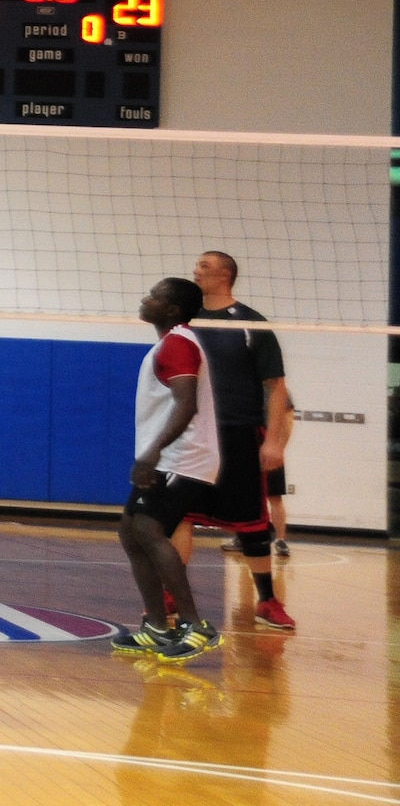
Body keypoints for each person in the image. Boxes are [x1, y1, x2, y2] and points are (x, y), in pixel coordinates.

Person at [178, 251, 295, 628]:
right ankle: (172, 594)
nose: (196, 270)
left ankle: (267, 601)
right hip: (195, 435)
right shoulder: (185, 321)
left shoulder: (250, 322)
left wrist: (273, 442)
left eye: (205, 266)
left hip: (239, 432)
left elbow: (276, 387)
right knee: (178, 515)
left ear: (225, 275)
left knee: (251, 521)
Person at [109, 277, 223, 665]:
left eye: (154, 296)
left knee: (146, 529)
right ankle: (158, 626)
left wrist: (154, 450)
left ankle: (195, 625)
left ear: (172, 309)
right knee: (130, 531)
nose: (145, 299)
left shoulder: (178, 343)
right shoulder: (169, 343)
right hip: (170, 456)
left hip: (181, 457)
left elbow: (186, 403)